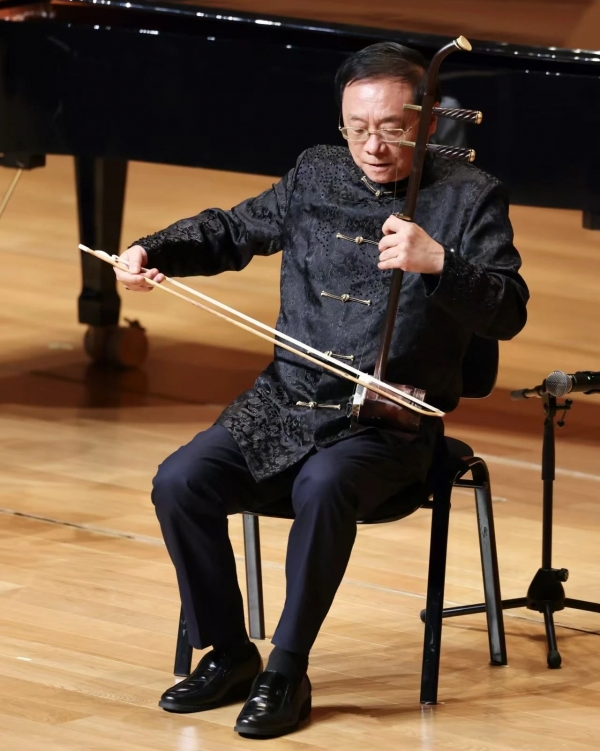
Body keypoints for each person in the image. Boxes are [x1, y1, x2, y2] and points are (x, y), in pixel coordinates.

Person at [115, 42, 529, 739]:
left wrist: (440, 264)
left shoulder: (470, 195)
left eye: (392, 128)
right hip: (285, 403)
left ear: (429, 123)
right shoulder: (316, 170)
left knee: (324, 484)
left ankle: (286, 670)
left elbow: (508, 311)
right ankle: (231, 653)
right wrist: (154, 250)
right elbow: (233, 231)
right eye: (356, 128)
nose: (372, 146)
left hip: (387, 424)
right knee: (180, 482)